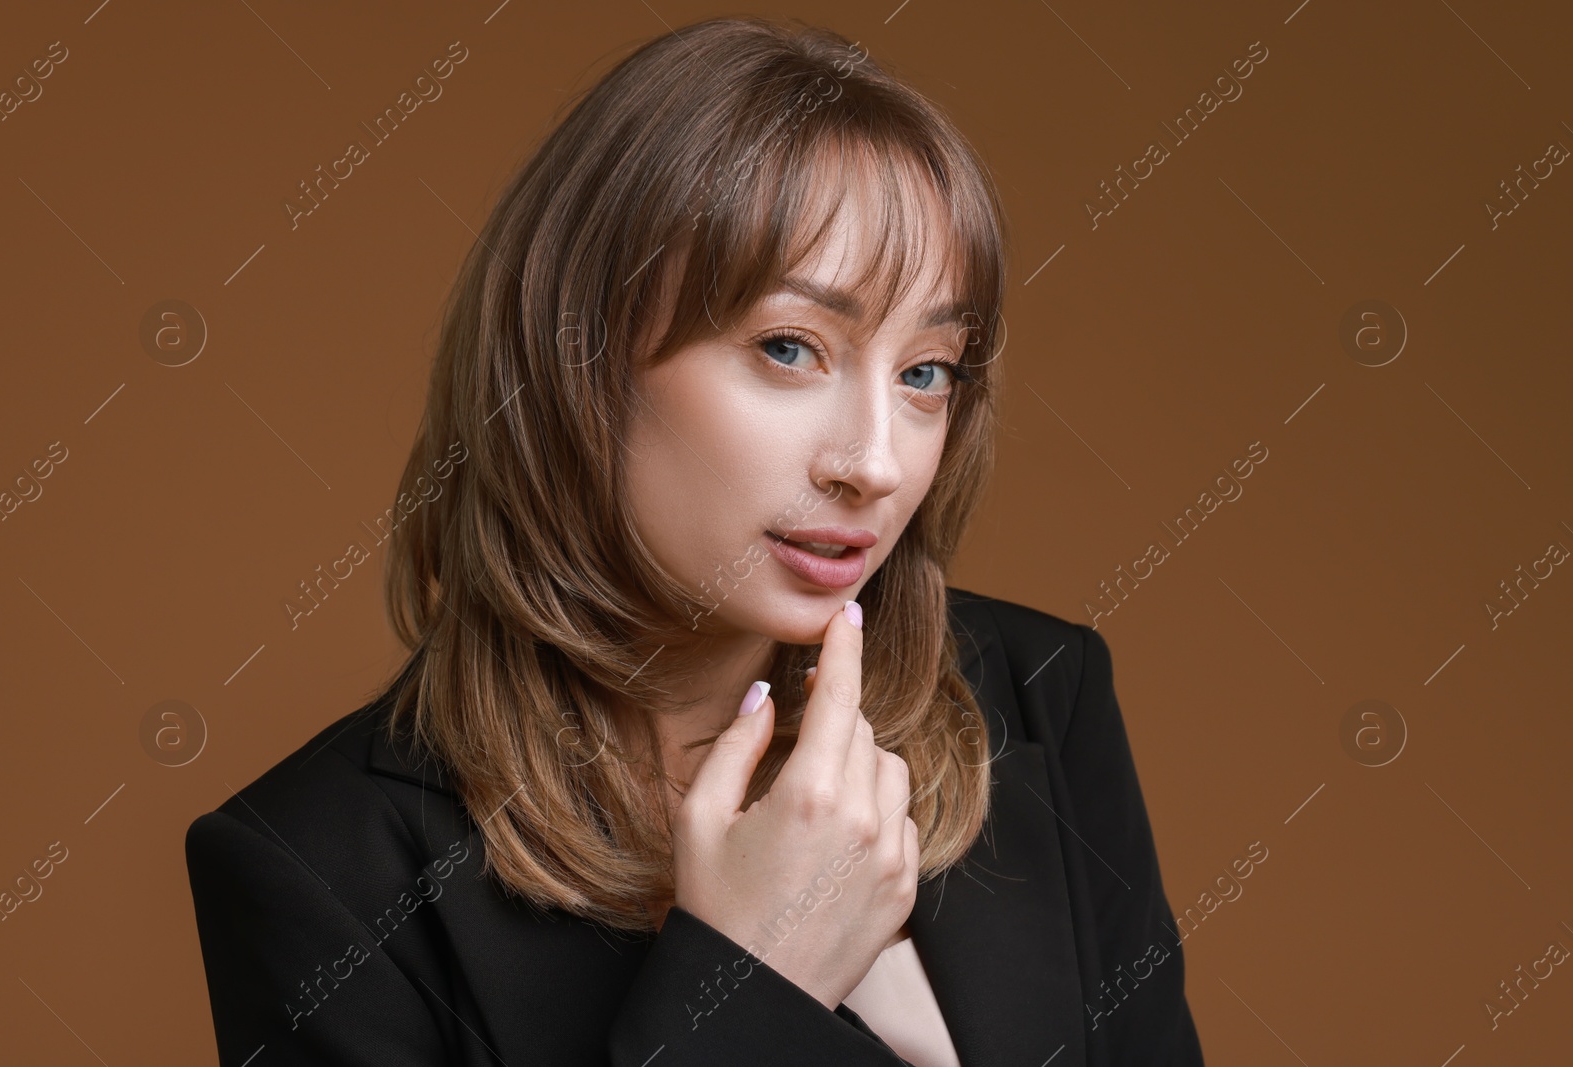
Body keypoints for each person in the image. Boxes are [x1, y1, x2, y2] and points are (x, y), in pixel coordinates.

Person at [184, 14, 1203, 1066]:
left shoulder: (1040, 694)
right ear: (579, 359)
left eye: (925, 371)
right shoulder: (318, 870)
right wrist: (746, 989)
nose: (875, 461)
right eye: (790, 347)